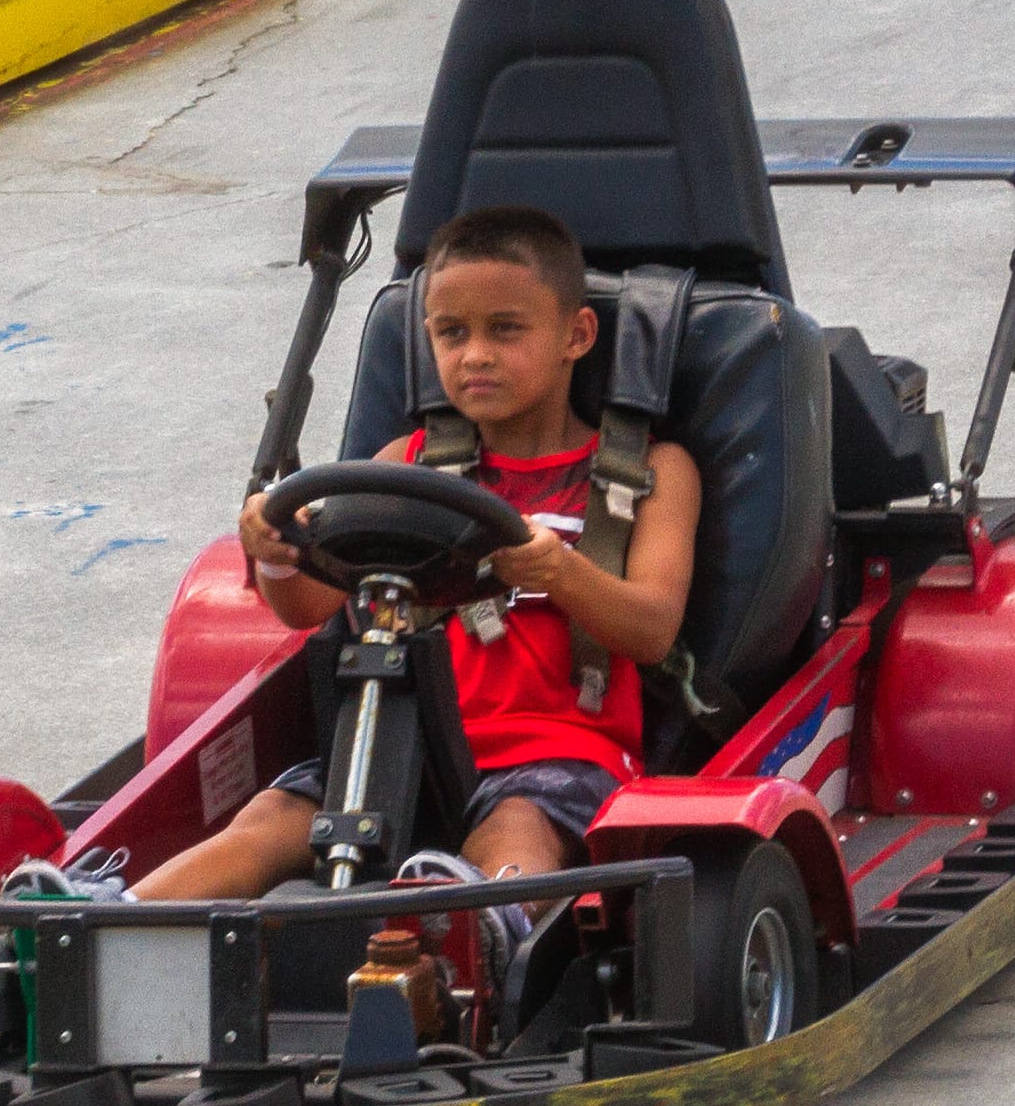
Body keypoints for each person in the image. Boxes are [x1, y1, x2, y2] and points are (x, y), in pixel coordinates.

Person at [133, 202, 699, 904]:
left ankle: (483, 932)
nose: (476, 355)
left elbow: (652, 629)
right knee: (271, 819)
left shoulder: (648, 473)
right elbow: (309, 605)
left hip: (560, 750)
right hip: (397, 738)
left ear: (577, 334)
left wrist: (564, 572)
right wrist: (276, 549)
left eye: (506, 330)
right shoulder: (405, 463)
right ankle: (106, 925)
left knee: (517, 826)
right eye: (452, 333)